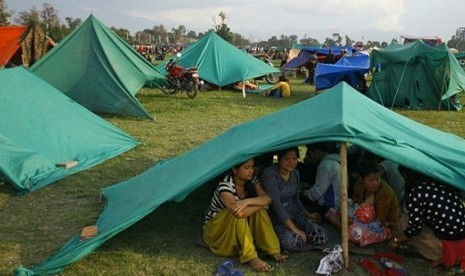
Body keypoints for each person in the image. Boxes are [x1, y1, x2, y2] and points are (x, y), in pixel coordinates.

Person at [203, 159, 288, 272]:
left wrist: (246, 202)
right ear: (235, 170)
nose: (251, 171)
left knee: (259, 211)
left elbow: (268, 198)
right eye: (246, 168)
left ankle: (272, 250)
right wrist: (260, 204)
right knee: (237, 213)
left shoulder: (252, 180)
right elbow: (239, 212)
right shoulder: (225, 186)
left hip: (237, 229)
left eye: (252, 167)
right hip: (216, 233)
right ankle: (251, 257)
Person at [389, 167, 465, 270]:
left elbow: (414, 229)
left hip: (452, 241)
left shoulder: (418, 192)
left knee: (405, 221)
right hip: (460, 234)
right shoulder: (437, 183)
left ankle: (440, 255)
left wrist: (397, 239)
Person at [261, 147, 327, 253]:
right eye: (287, 159)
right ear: (279, 159)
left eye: (294, 159)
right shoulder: (270, 175)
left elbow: (296, 199)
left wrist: (308, 215)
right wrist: (295, 230)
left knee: (320, 236)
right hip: (277, 221)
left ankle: (301, 233)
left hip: (294, 216)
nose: (291, 162)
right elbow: (277, 205)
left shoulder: (295, 173)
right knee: (295, 242)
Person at [349, 160, 400, 246]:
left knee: (360, 234)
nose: (375, 183)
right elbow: (356, 197)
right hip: (362, 217)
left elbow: (379, 221)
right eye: (371, 180)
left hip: (382, 226)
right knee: (341, 214)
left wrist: (359, 222)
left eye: (377, 179)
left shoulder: (386, 193)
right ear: (362, 179)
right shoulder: (359, 183)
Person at [301, 142, 342, 227]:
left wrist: (301, 192)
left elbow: (315, 195)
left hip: (328, 207)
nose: (306, 158)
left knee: (297, 205)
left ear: (317, 152)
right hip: (337, 203)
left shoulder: (326, 165)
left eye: (309, 154)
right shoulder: (335, 162)